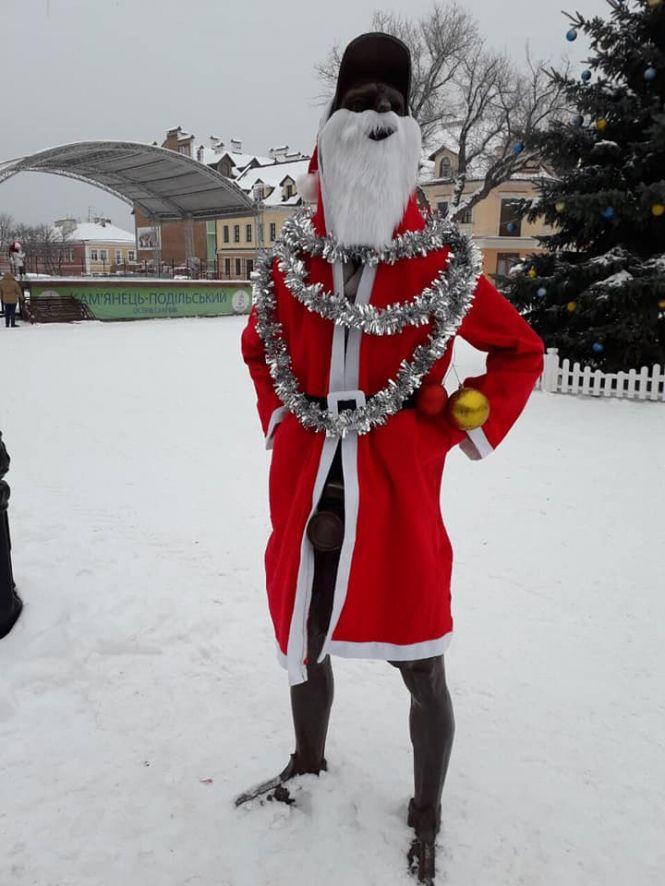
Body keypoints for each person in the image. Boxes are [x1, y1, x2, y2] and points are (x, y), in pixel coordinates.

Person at [240, 32, 544, 885]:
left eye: (394, 102)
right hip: (307, 481)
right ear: (329, 126)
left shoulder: (445, 264)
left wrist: (452, 422)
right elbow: (256, 349)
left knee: (421, 655)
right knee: (306, 630)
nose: (376, 111)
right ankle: (306, 763)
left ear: (409, 134)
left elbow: (518, 353)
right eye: (359, 98)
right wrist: (281, 421)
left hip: (397, 484)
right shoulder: (289, 263)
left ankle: (426, 809)